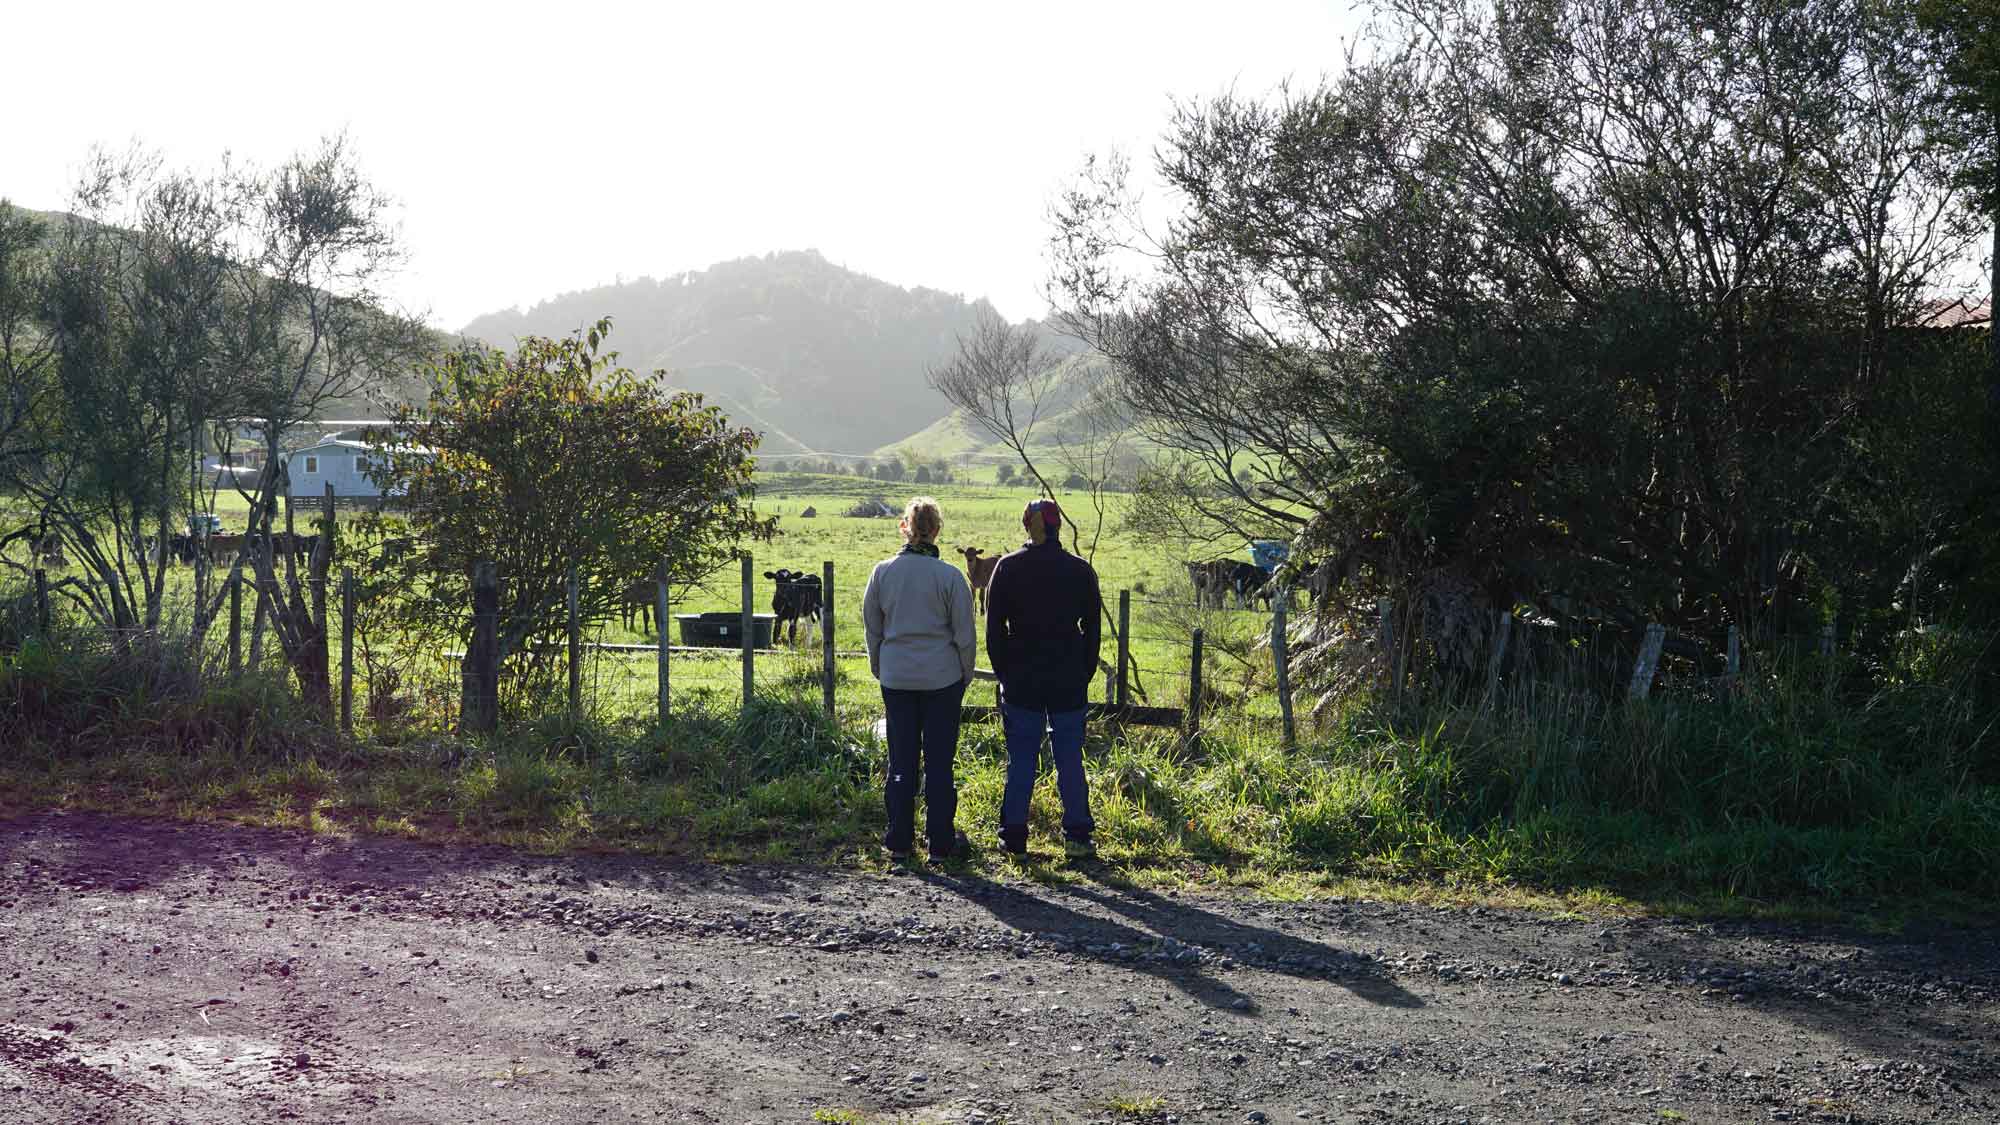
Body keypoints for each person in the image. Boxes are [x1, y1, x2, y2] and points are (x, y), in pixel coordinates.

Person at [862, 496, 977, 862]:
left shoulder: (882, 573)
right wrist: (965, 673)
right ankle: (940, 842)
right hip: (942, 679)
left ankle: (899, 840)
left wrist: (879, 666)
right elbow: (965, 635)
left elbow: (872, 627)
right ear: (937, 530)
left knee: (901, 761)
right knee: (940, 763)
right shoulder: (950, 577)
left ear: (904, 527)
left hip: (897, 678)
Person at [984, 498, 1101, 858]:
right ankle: (1078, 837)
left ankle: (1014, 838)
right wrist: (1083, 672)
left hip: (1022, 678)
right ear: (1057, 526)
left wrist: (1004, 672)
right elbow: (1092, 630)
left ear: (1027, 524)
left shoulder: (1007, 568)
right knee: (1069, 759)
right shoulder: (1080, 570)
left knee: (1021, 760)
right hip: (1068, 677)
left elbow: (994, 630)